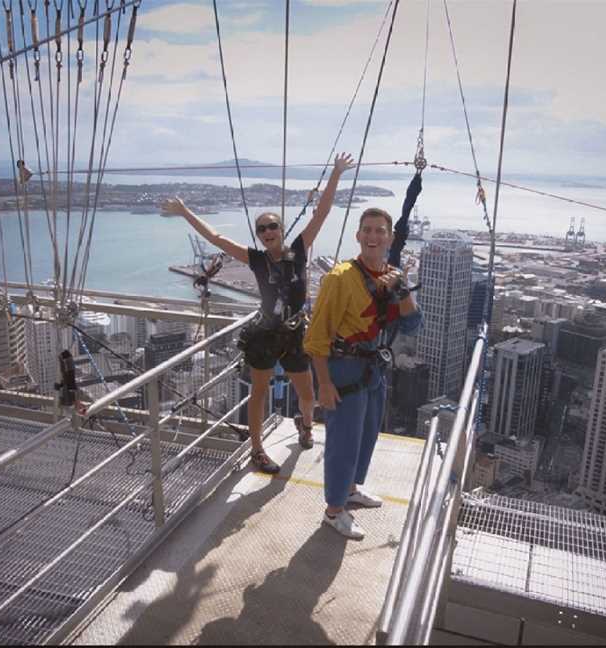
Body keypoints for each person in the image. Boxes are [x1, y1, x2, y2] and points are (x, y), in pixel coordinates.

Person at [162, 153, 355, 474]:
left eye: (272, 226)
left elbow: (321, 213)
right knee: (259, 393)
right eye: (262, 228)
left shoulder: (299, 251)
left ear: (280, 229)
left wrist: (336, 173)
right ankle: (256, 450)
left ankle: (305, 425)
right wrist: (185, 212)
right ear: (259, 234)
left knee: (307, 394)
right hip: (265, 334)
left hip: (294, 333)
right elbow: (217, 238)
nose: (268, 231)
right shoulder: (256, 259)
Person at [304, 207, 422, 540]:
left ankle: (351, 489)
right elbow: (317, 337)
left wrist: (401, 287)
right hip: (344, 369)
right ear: (358, 236)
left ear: (390, 237)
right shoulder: (341, 278)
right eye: (367, 230)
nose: (373, 237)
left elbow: (413, 324)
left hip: (374, 370)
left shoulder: (392, 276)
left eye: (380, 231)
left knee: (366, 435)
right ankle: (334, 510)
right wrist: (323, 384)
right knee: (343, 441)